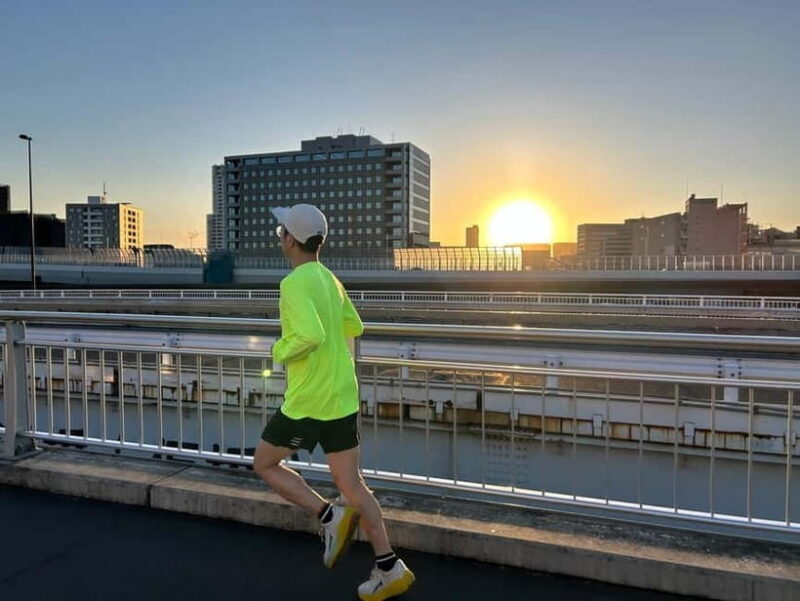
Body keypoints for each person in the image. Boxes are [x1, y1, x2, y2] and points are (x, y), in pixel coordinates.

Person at [253, 204, 415, 601]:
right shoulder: (330, 279)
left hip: (310, 400)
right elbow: (354, 326)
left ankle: (328, 515)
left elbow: (308, 335)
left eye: (281, 233)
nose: (280, 238)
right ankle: (389, 566)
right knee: (352, 484)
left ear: (289, 239)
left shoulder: (293, 283)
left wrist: (278, 350)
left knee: (265, 463)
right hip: (342, 396)